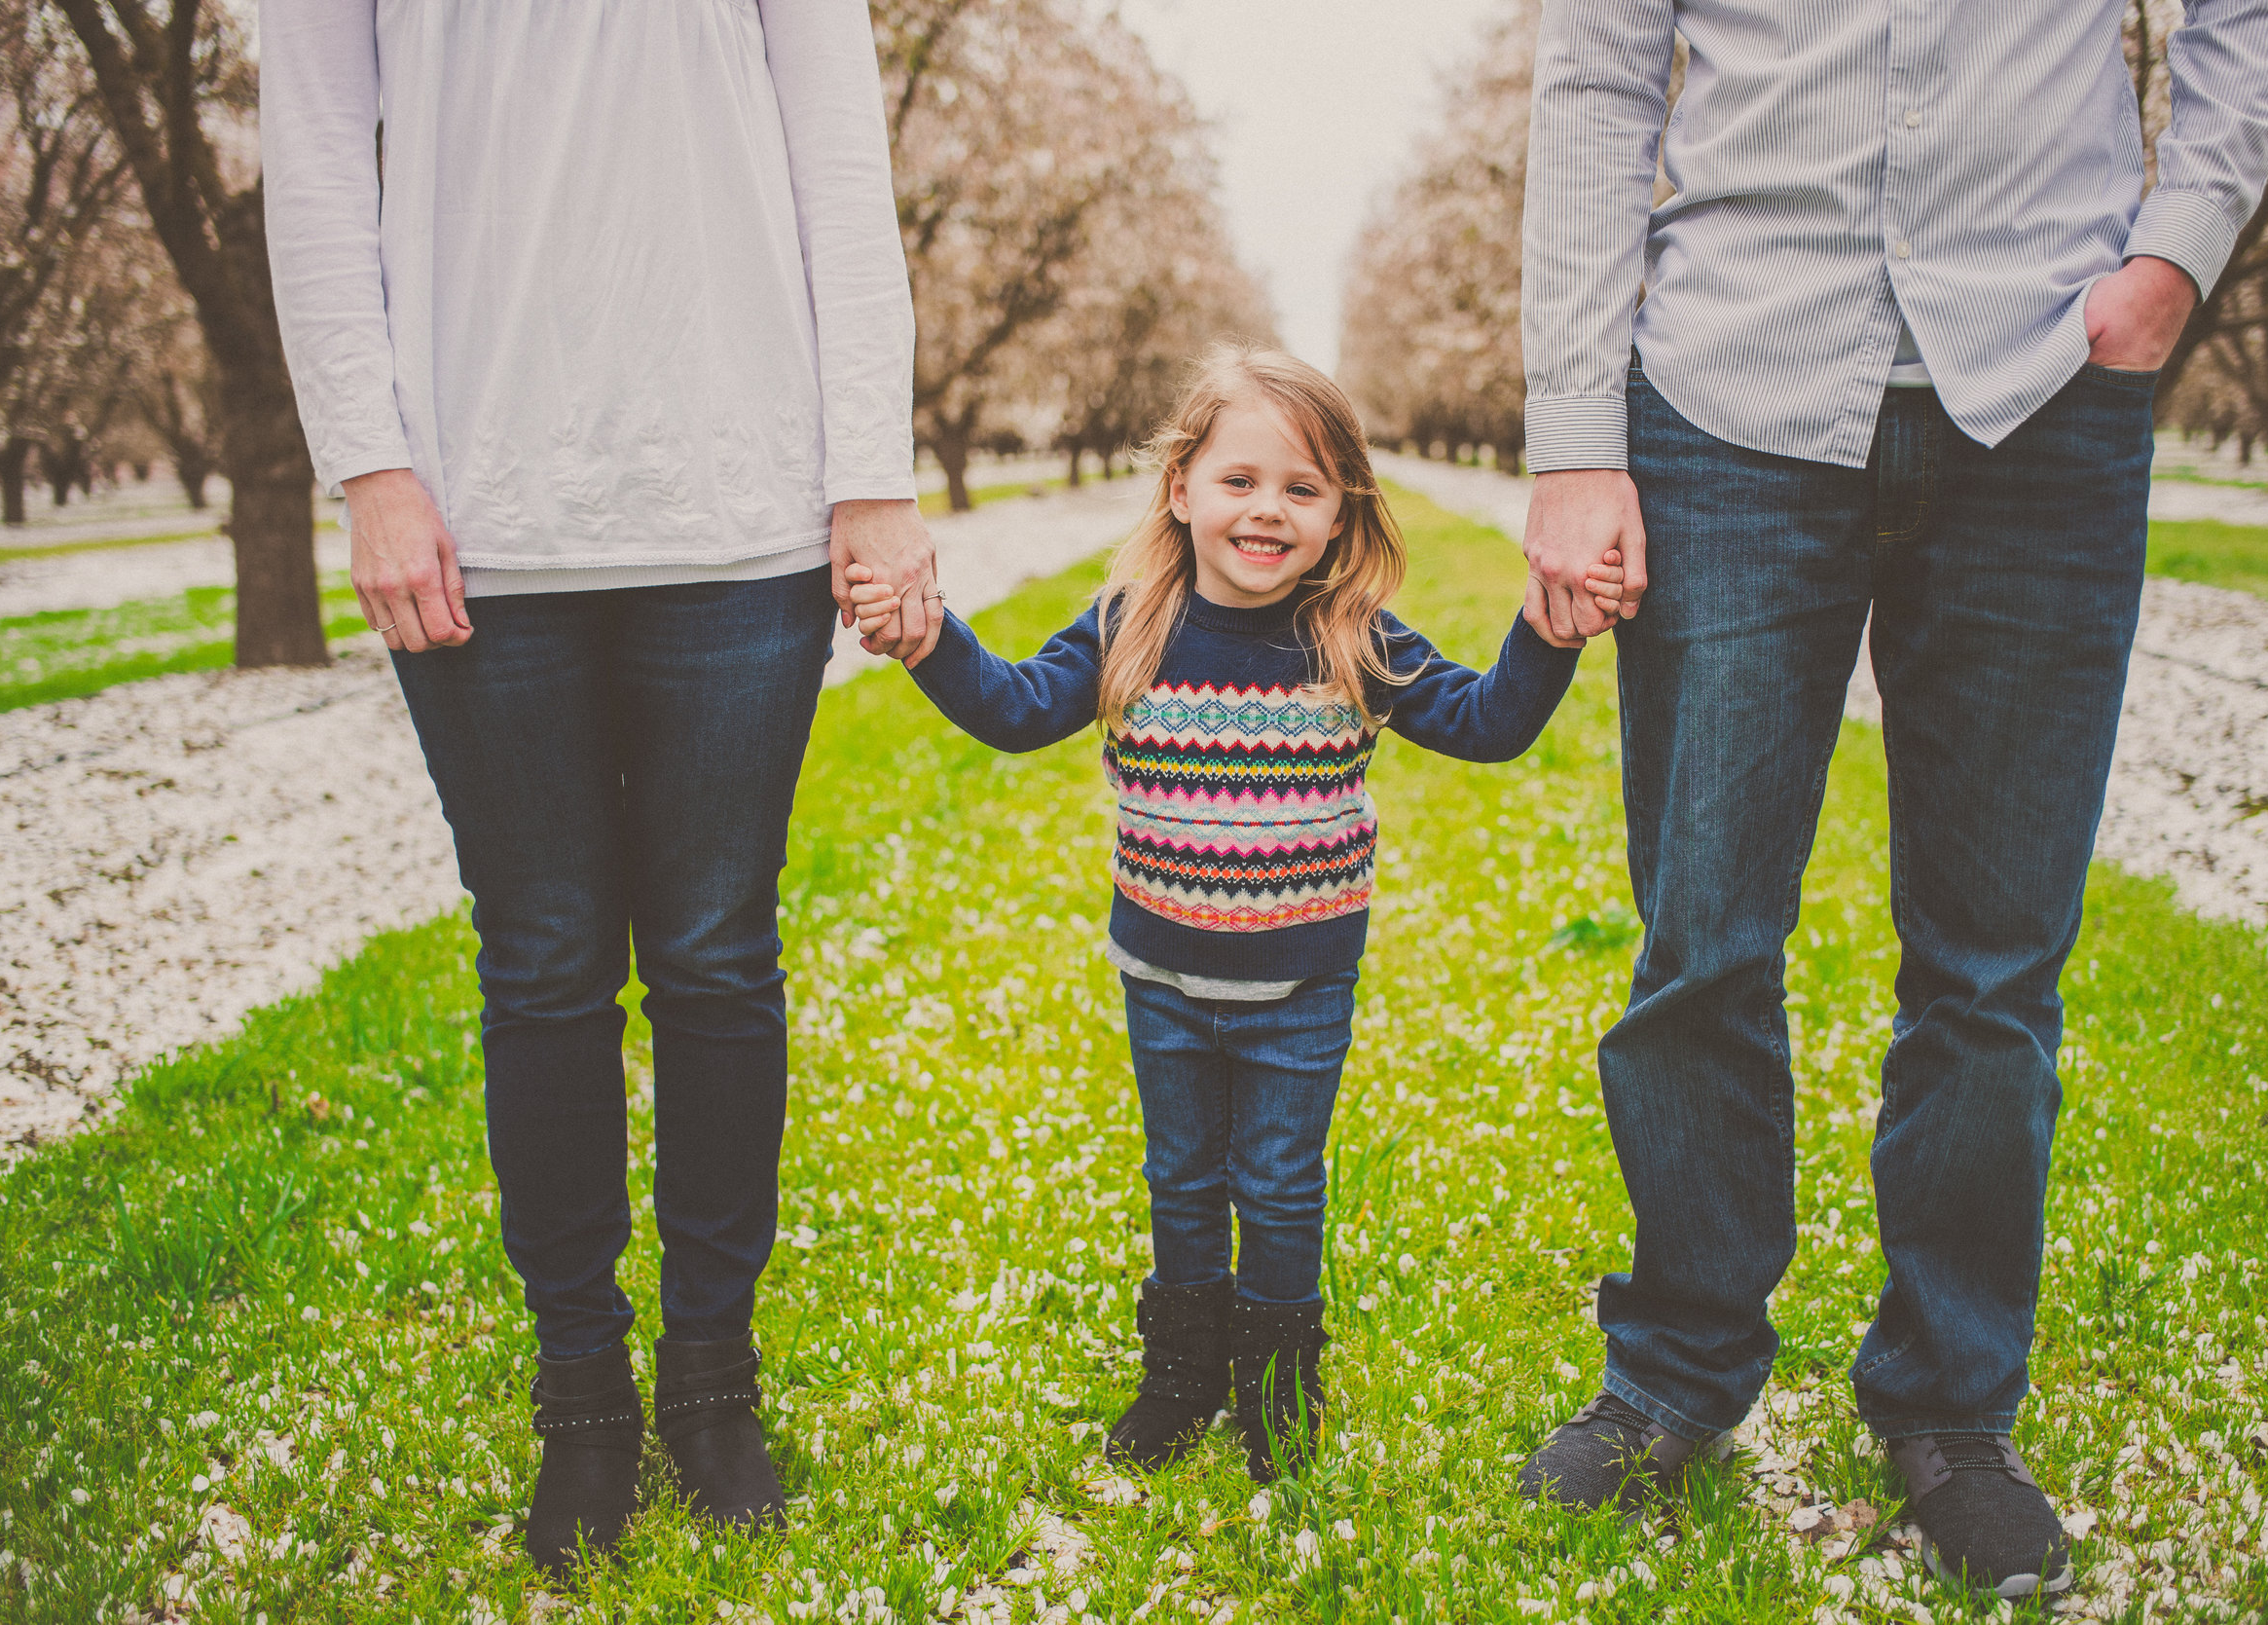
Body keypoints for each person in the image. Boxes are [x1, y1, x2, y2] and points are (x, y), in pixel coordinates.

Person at [1509, 0, 2268, 1600]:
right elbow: (1598, 67)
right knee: (1703, 934)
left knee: (1995, 963)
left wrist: (2186, 241)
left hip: (2043, 387)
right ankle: (1679, 1365)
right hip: (1727, 390)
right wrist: (1570, 431)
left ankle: (1950, 1410)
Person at [262, 0, 939, 1579]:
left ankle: (712, 1376)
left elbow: (842, 154)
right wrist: (365, 464)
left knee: (715, 957)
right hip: (476, 515)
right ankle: (582, 1394)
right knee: (545, 963)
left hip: (742, 506)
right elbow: (308, 151)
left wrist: (877, 475)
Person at [848, 347, 1611, 1481]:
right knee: (1182, 1177)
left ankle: (1275, 1382)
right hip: (1162, 980)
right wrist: (928, 640)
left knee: (1280, 1184)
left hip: (1301, 991)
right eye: (1239, 480)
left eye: (1303, 489)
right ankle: (1182, 1373)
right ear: (1180, 490)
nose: (1267, 509)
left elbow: (1489, 721)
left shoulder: (1355, 637)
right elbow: (1012, 709)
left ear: (1341, 512)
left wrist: (1547, 634)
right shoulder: (1130, 624)